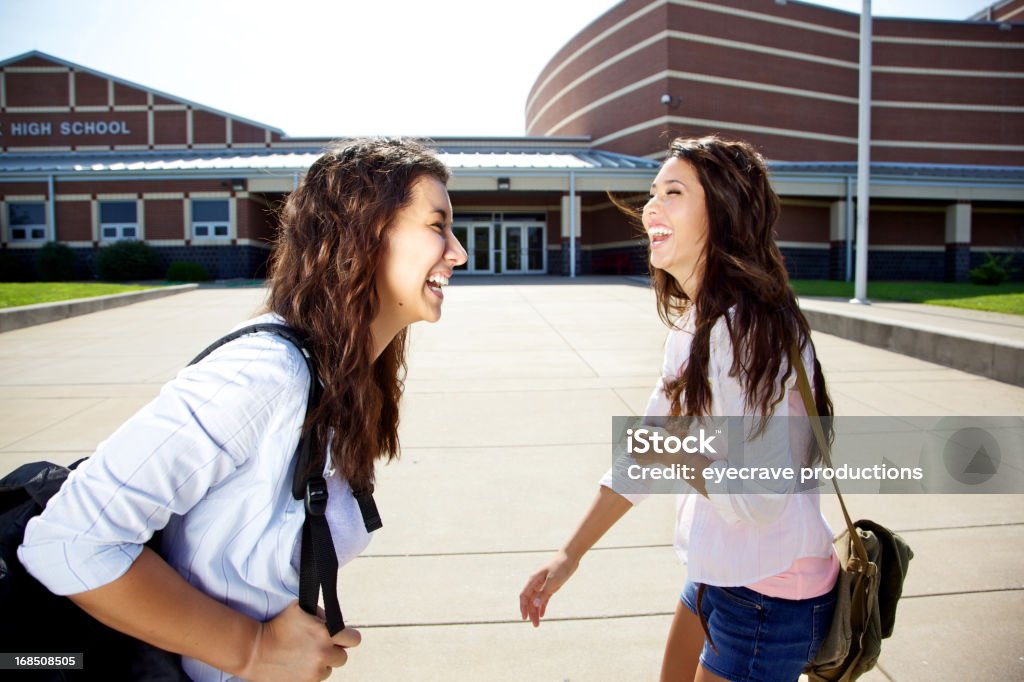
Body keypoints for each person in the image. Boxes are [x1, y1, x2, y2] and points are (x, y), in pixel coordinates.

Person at [19, 138, 468, 681]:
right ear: (361, 231)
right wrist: (251, 648)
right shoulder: (264, 373)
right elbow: (69, 540)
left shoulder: (342, 375)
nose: (458, 251)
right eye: (436, 225)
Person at [519, 136, 838, 682]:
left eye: (673, 192)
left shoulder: (743, 332)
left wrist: (677, 448)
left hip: (771, 593)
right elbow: (645, 451)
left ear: (723, 212)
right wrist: (569, 554)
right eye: (652, 193)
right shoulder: (701, 325)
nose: (650, 207)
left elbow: (756, 498)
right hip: (722, 571)